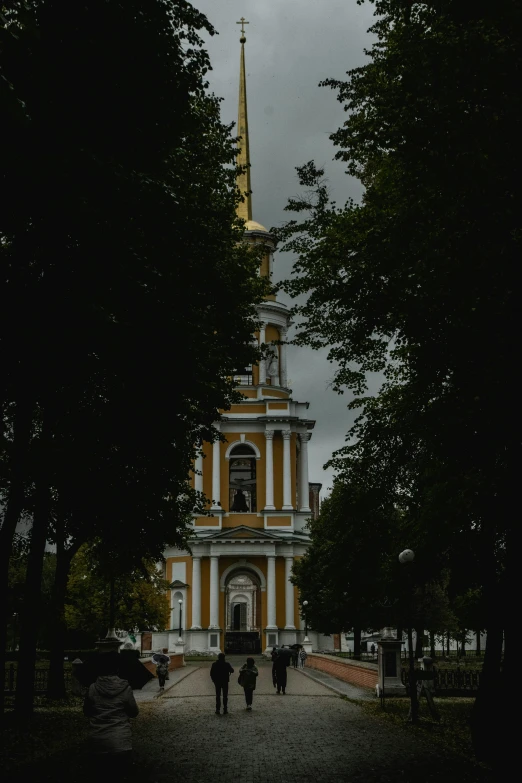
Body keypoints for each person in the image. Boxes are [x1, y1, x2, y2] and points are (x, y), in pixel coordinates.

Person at [83, 652, 139, 777]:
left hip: (98, 740)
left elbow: (86, 711)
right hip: (121, 741)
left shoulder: (92, 688)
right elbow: (134, 712)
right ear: (117, 669)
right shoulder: (126, 688)